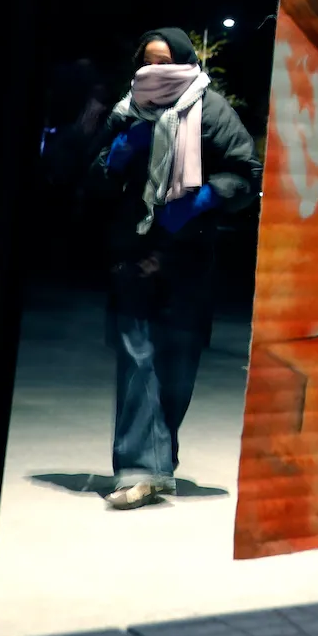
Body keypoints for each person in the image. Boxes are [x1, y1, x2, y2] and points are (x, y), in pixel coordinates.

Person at [94, 28, 257, 509]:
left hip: (187, 256)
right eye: (147, 61)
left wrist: (203, 199)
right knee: (137, 359)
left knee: (178, 366)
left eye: (164, 61)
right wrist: (115, 158)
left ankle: (159, 465)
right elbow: (94, 175)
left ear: (184, 62)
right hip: (133, 251)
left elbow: (245, 173)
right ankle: (137, 469)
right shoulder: (127, 111)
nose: (155, 71)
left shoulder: (212, 109)